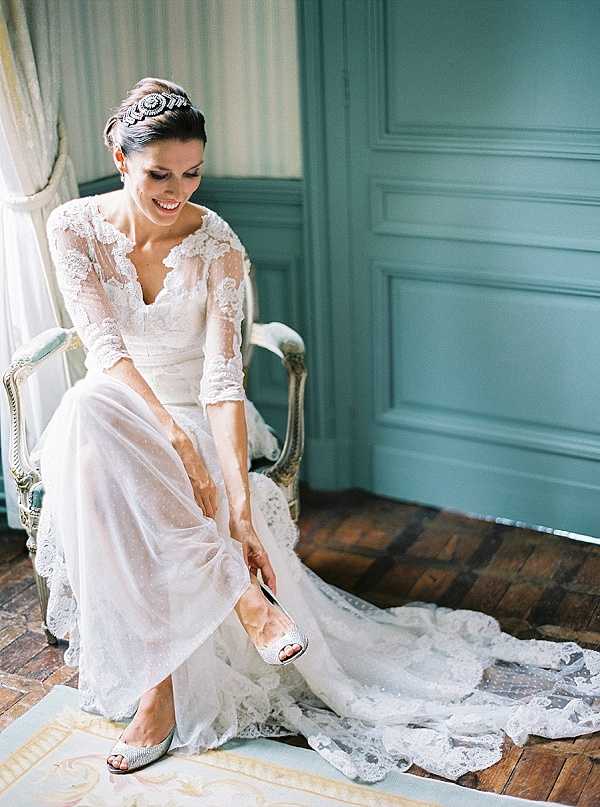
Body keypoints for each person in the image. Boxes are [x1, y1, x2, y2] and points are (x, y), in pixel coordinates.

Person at [34, 77, 600, 784]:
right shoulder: (72, 227)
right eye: (158, 174)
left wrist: (236, 501)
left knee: (113, 456)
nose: (176, 189)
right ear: (119, 159)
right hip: (119, 410)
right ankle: (242, 599)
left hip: (189, 416)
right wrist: (175, 444)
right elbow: (105, 350)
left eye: (191, 171)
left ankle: (161, 693)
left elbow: (219, 382)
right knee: (92, 413)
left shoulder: (218, 244)